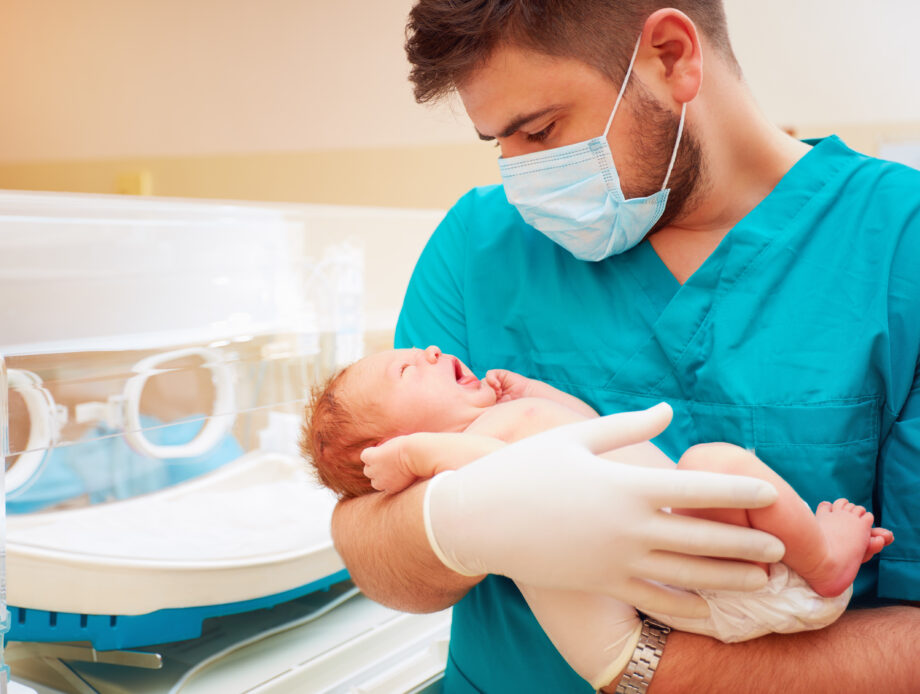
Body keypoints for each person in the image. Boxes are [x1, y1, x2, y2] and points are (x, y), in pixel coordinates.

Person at [332, 2, 920, 692]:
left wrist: (640, 664)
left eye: (541, 130)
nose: (518, 181)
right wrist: (456, 523)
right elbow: (370, 538)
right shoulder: (477, 245)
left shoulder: (897, 244)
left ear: (671, 56)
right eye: (498, 143)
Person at [302, 345, 893, 686]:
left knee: (711, 467)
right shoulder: (454, 461)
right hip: (714, 585)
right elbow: (502, 480)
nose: (429, 351)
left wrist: (537, 394)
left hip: (727, 569)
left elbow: (582, 425)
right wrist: (416, 455)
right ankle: (823, 559)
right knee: (713, 461)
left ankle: (813, 557)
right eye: (407, 370)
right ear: (388, 446)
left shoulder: (502, 418)